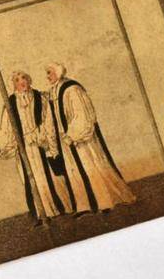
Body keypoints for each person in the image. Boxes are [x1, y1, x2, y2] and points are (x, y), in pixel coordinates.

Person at [0, 71, 73, 225]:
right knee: (31, 179)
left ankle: (60, 208)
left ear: (29, 80)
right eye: (17, 80)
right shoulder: (10, 103)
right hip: (24, 148)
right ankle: (41, 213)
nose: (21, 82)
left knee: (50, 176)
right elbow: (6, 129)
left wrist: (48, 143)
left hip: (41, 142)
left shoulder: (40, 97)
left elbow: (48, 122)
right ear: (13, 84)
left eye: (23, 78)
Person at [45, 63, 137, 215]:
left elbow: (82, 114)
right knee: (74, 172)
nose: (47, 76)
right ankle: (84, 206)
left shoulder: (72, 89)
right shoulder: (52, 92)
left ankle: (106, 201)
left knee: (91, 166)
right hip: (65, 141)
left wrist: (72, 134)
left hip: (81, 139)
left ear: (57, 72)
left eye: (49, 72)